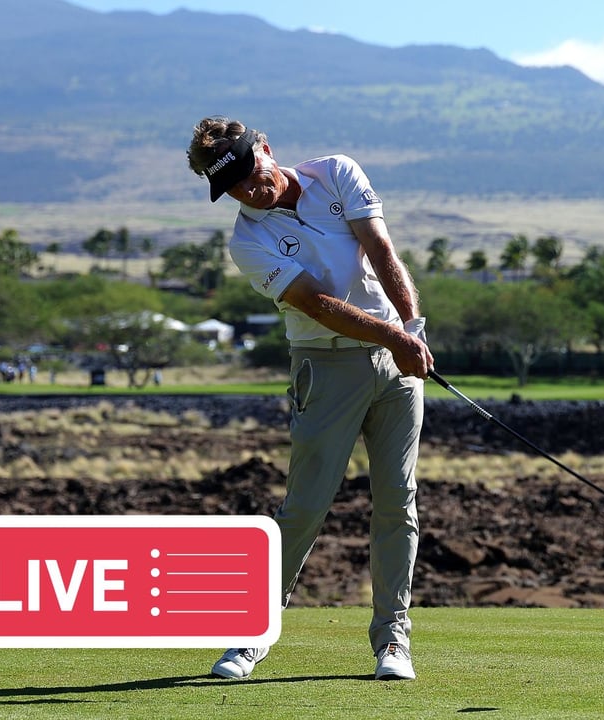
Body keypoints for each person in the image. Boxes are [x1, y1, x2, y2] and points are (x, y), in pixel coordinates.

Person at [186, 117, 434, 681]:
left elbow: (380, 248)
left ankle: (393, 642)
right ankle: (252, 636)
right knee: (304, 507)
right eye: (234, 188)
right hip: (325, 367)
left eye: (251, 173)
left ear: (266, 149)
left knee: (399, 501)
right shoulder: (247, 239)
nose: (250, 191)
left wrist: (413, 328)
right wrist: (397, 337)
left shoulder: (337, 173)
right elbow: (318, 303)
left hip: (396, 362)